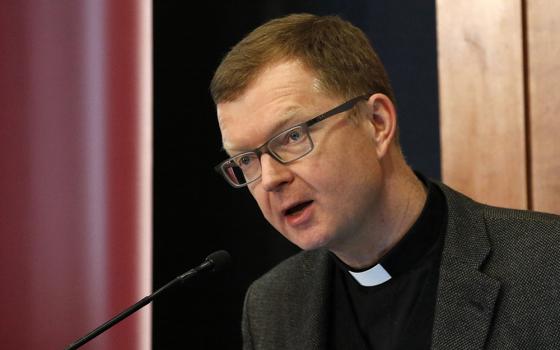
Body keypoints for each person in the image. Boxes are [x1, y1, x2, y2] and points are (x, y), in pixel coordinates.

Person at [210, 13, 560, 350]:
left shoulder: (545, 265)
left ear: (377, 123)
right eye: (245, 159)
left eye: (292, 136)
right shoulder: (271, 306)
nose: (270, 178)